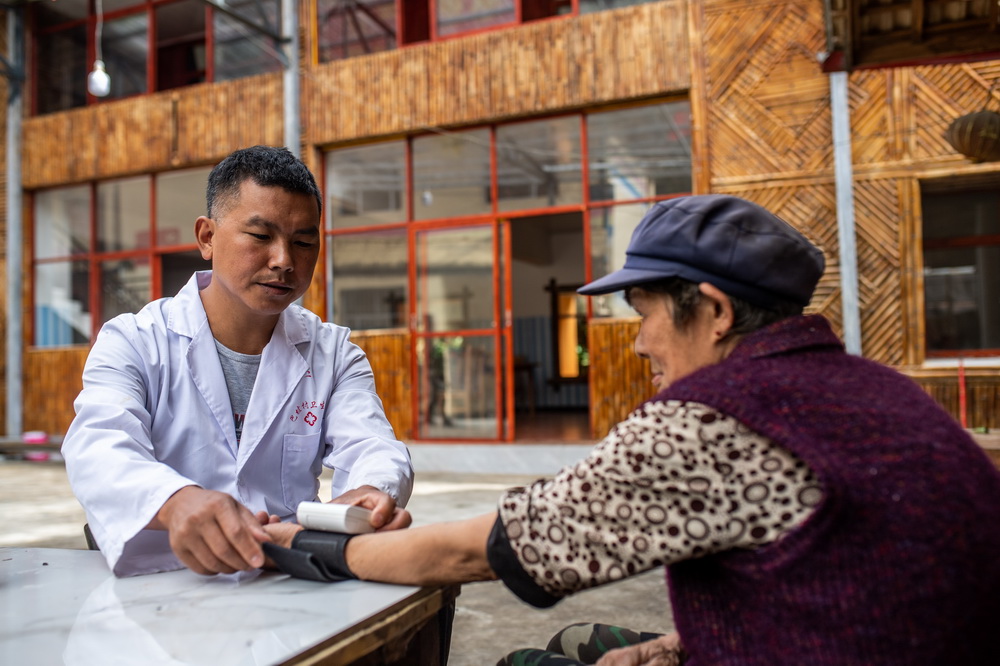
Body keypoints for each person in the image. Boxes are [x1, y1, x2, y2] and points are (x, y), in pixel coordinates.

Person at [261, 194, 1000, 664]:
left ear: (711, 313)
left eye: (645, 314)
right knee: (587, 646)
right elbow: (856, 577)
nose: (640, 343)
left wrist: (320, 547)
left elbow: (482, 550)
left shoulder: (718, 420)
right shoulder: (874, 387)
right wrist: (688, 645)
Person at [62, 146, 413, 578]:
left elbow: (372, 445)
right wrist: (176, 502)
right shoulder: (135, 341)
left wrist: (369, 491)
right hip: (165, 577)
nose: (284, 260)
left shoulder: (334, 354)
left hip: (289, 572)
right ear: (207, 237)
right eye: (261, 236)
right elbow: (98, 448)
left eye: (303, 242)